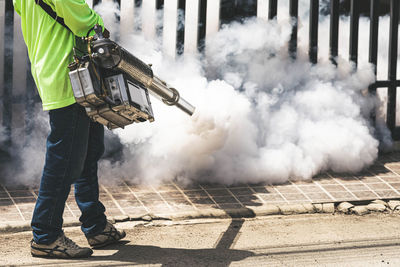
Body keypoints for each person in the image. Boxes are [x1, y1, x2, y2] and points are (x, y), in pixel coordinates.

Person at [12, 0, 125, 258]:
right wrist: (97, 21)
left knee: (88, 151)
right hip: (69, 77)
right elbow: (85, 22)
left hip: (64, 72)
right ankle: (46, 235)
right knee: (65, 161)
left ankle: (95, 225)